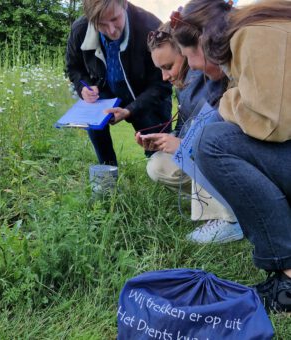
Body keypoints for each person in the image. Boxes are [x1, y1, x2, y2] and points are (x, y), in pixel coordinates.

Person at [173, 0, 291, 312]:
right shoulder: (254, 29)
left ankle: (289, 274)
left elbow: (272, 123)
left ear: (202, 40)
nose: (193, 67)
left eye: (188, 57)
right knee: (217, 137)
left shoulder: (252, 35)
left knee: (212, 142)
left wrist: (228, 100)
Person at [135, 22, 243, 244]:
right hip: (205, 149)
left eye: (168, 66)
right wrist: (167, 142)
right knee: (158, 164)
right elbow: (184, 126)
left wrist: (185, 145)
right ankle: (221, 202)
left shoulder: (216, 75)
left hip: (230, 156)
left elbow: (225, 131)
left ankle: (231, 220)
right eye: (160, 70)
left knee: (202, 147)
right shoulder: (183, 84)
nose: (165, 76)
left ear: (186, 52)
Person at [66, 0, 172, 166]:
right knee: (95, 122)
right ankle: (108, 172)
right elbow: (73, 68)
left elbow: (162, 85)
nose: (111, 30)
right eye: (101, 24)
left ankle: (161, 178)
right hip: (105, 90)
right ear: (91, 19)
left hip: (146, 95)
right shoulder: (80, 29)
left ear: (124, 5)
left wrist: (129, 110)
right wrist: (83, 87)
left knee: (160, 156)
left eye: (115, 19)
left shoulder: (151, 27)